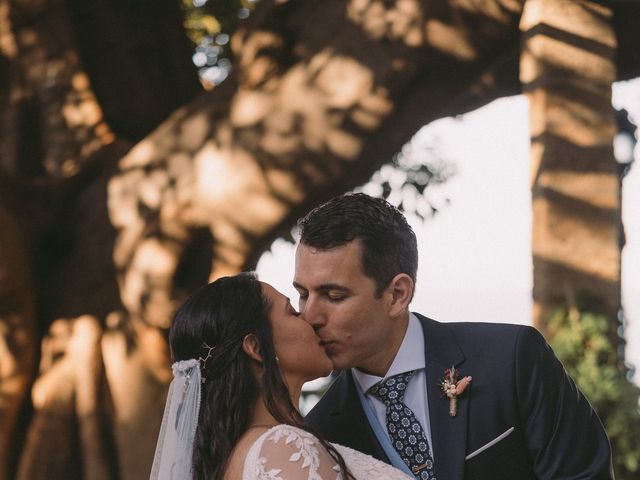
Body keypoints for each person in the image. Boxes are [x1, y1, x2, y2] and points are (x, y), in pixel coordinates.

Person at [297, 193, 613, 480]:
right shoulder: (318, 435)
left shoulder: (512, 359)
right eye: (302, 294)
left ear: (397, 294)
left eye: (333, 296)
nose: (310, 317)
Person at [150, 272, 413, 480]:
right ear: (256, 348)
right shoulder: (283, 446)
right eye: (292, 312)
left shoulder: (233, 456)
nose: (310, 318)